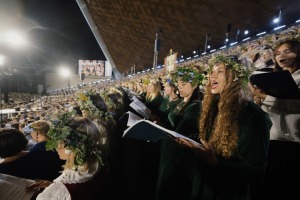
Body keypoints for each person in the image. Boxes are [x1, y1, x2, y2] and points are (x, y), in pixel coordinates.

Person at [176, 55, 272, 200]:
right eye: (211, 71)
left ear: (235, 77)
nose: (211, 76)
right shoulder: (212, 107)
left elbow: (255, 172)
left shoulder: (254, 116)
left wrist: (216, 163)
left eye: (219, 71)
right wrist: (188, 141)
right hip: (202, 188)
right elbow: (207, 141)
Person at [248, 39, 300, 199]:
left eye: (287, 51)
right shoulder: (275, 77)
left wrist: (266, 97)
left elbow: (296, 106)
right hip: (268, 138)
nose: (280, 56)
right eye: (277, 53)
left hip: (290, 142)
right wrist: (258, 99)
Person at [26, 112, 109, 200]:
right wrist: (53, 187)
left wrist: (53, 191)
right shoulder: (97, 162)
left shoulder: (68, 185)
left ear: (70, 146)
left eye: (58, 142)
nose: (56, 147)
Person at [155, 66, 203, 200]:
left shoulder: (195, 107)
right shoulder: (181, 102)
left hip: (178, 157)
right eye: (179, 84)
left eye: (184, 84)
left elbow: (181, 133)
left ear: (194, 85)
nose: (179, 87)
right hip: (168, 151)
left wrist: (162, 128)